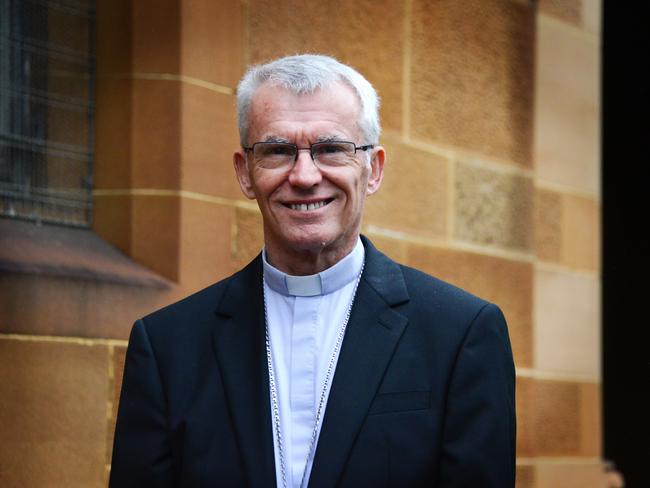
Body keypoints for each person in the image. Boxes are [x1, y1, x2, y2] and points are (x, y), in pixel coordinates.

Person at [110, 54, 516, 487]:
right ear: (245, 173)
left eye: (331, 149)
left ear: (373, 169)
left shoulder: (461, 333)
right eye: (278, 151)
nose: (304, 176)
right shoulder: (167, 346)